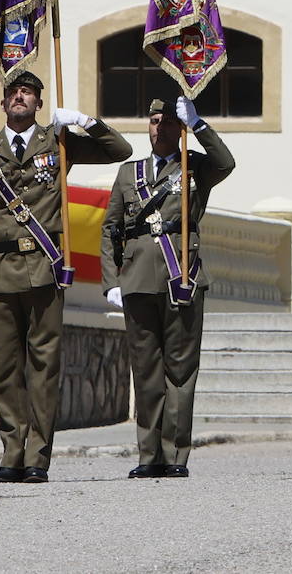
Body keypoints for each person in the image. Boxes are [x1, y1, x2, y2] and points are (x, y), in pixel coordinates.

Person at [0, 71, 132, 484]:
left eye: (28, 92)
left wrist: (85, 121)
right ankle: (11, 453)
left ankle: (37, 456)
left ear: (39, 103)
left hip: (44, 269)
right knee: (6, 371)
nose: (19, 97)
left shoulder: (57, 142)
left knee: (44, 367)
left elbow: (120, 149)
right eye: (13, 92)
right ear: (3, 103)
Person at [101, 97, 235, 479]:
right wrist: (112, 280)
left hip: (183, 278)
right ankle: (148, 455)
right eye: (154, 120)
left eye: (169, 122)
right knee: (145, 371)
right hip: (139, 281)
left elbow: (226, 162)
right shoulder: (130, 173)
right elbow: (110, 228)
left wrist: (201, 124)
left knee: (179, 371)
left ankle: (175, 454)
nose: (159, 127)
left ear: (180, 129)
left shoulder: (195, 167)